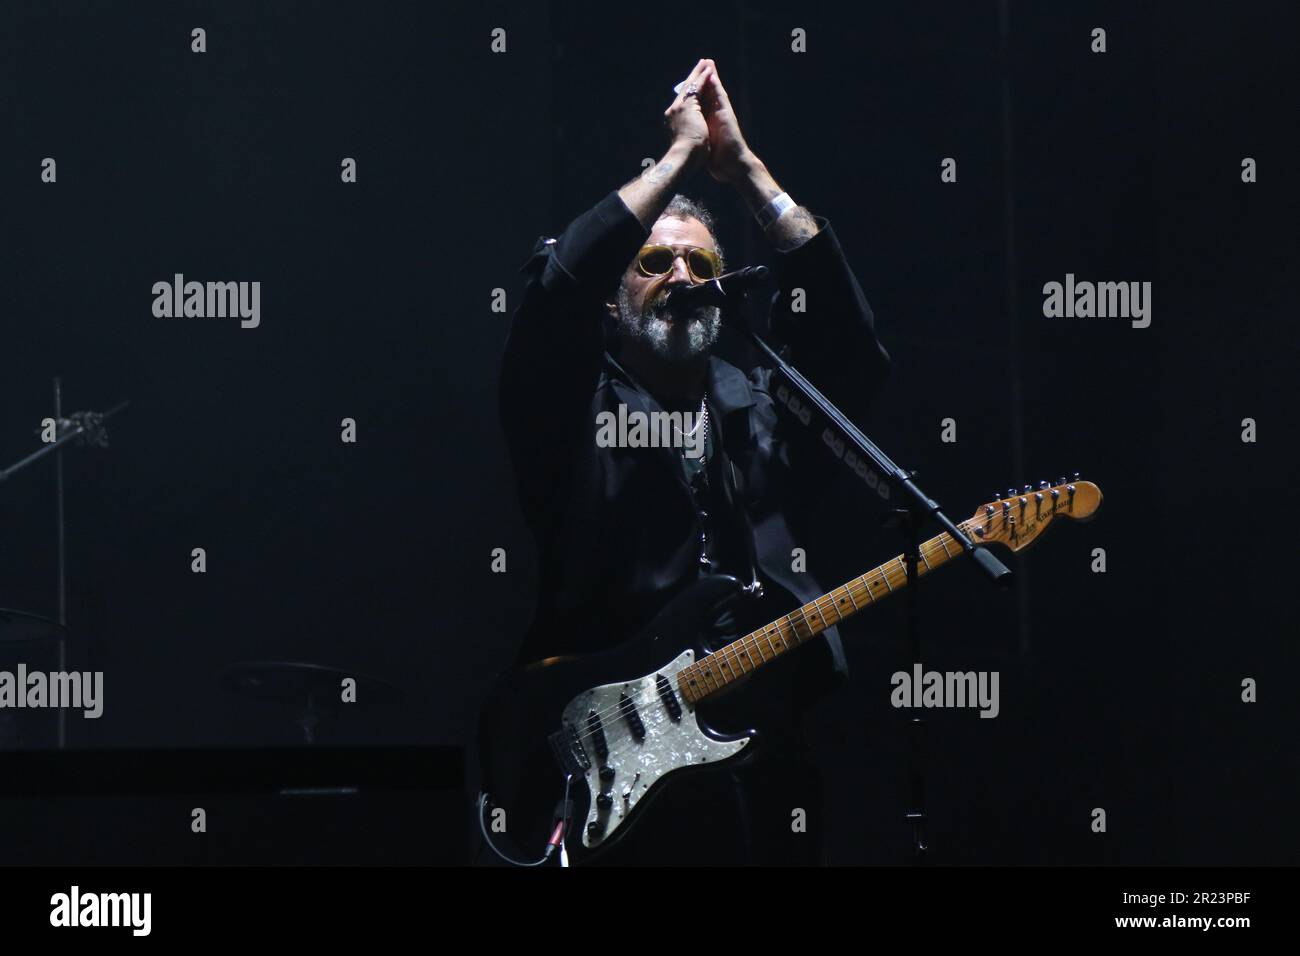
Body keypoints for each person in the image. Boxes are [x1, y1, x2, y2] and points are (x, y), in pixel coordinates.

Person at [497, 58, 890, 864]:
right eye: (654, 262)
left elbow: (850, 357)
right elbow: (552, 299)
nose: (682, 276)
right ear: (614, 299)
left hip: (759, 758)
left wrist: (744, 169)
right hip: (616, 767)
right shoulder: (573, 413)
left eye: (702, 264)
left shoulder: (756, 406)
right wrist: (674, 160)